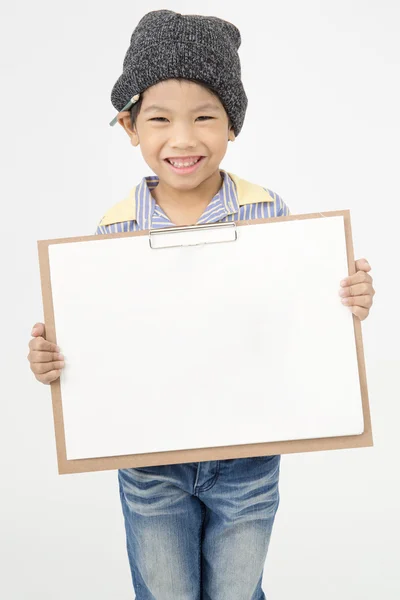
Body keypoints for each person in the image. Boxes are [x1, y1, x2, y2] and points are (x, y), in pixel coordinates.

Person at [27, 10, 376, 600]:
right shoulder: (112, 232)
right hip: (148, 460)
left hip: (249, 454)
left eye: (205, 117)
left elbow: (299, 317)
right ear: (130, 126)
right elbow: (100, 342)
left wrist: (346, 301)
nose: (183, 139)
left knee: (238, 590)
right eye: (160, 119)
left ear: (232, 125)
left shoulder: (269, 212)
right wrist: (54, 362)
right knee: (165, 590)